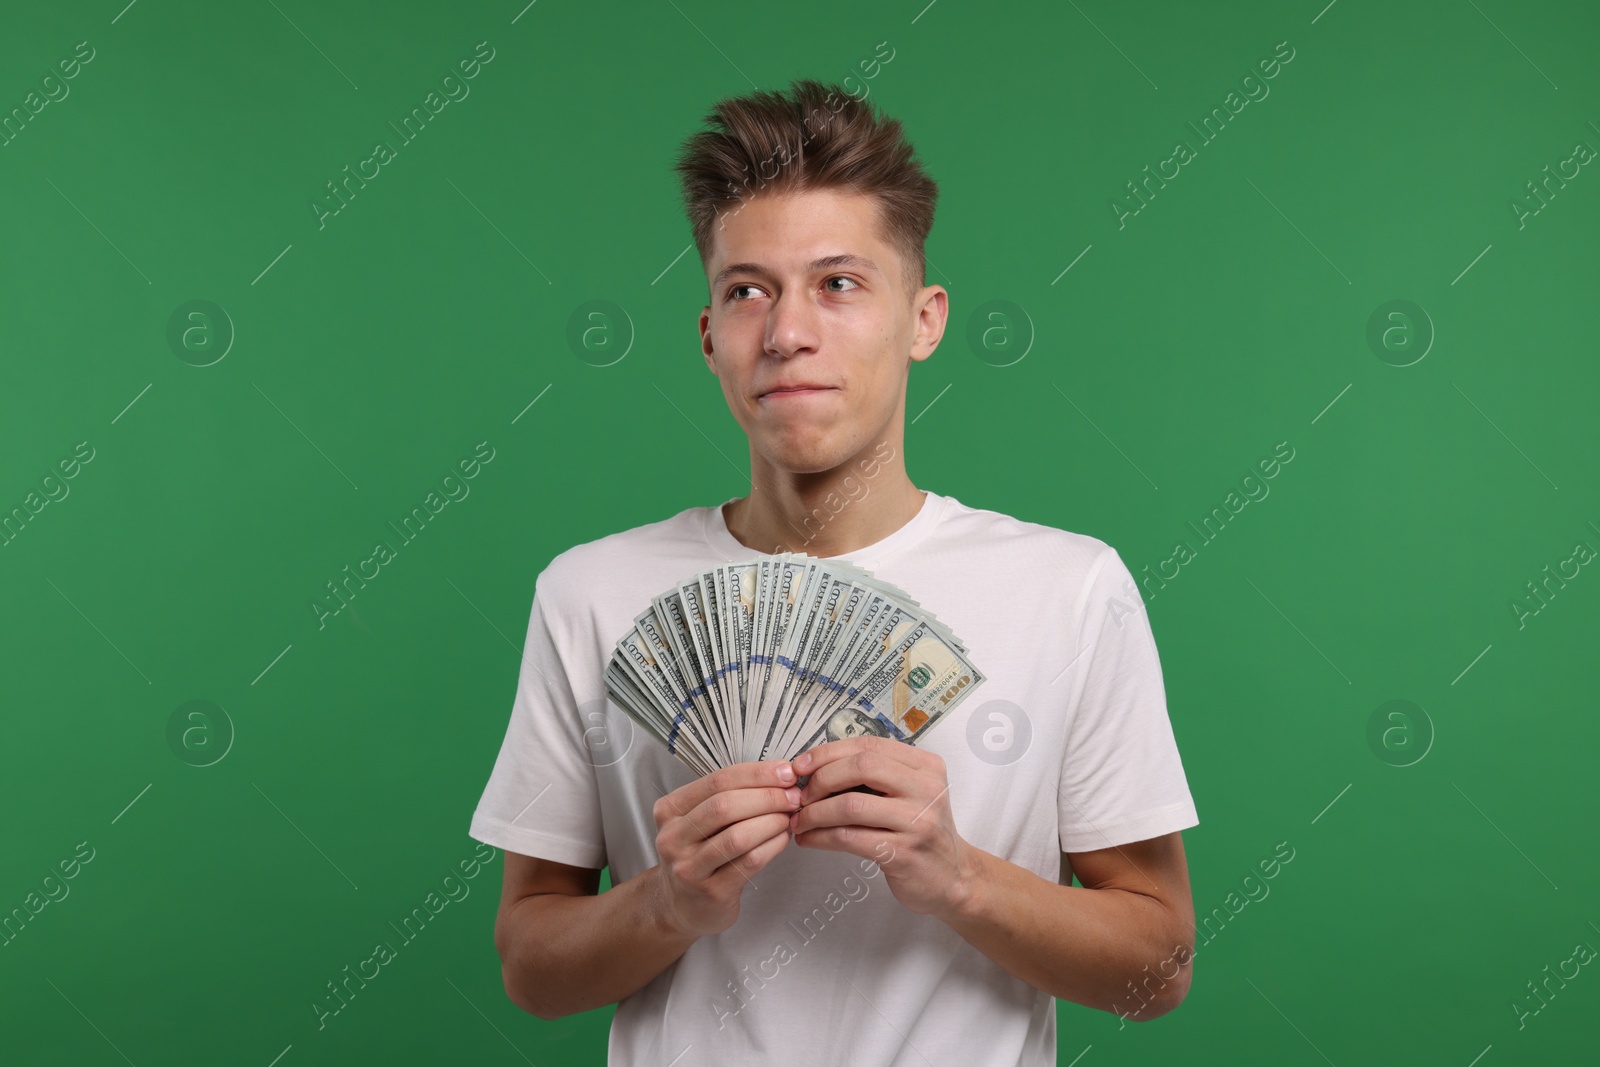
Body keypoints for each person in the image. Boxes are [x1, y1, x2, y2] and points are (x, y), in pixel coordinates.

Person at [468, 78, 1199, 1065]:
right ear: (708, 337)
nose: (787, 331)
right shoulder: (588, 592)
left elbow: (1158, 969)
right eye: (746, 290)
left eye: (839, 284)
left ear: (924, 319)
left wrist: (957, 874)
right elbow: (532, 967)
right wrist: (668, 901)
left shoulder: (1069, 588)